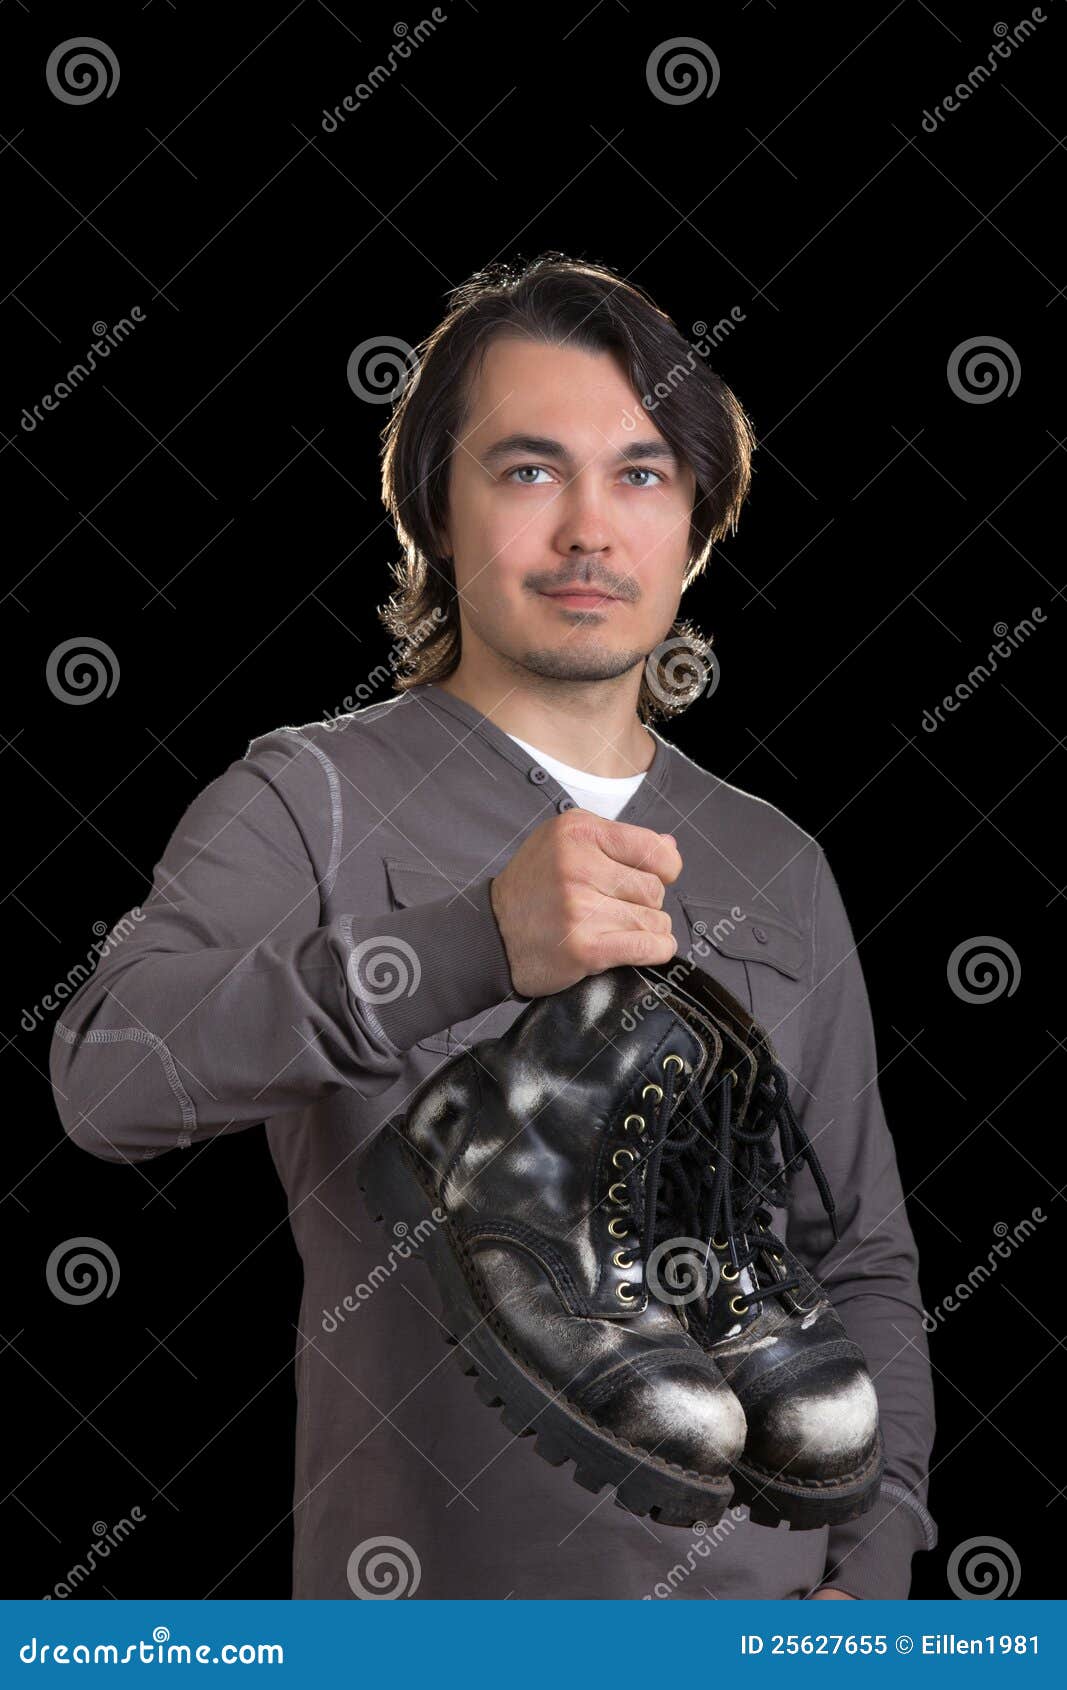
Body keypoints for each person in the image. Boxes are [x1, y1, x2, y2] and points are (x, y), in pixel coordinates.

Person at [50, 254, 936, 1600]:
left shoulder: (778, 858)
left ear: (696, 521)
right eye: (529, 470)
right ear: (435, 517)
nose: (590, 527)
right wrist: (468, 943)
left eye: (640, 474)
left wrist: (869, 1585)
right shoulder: (311, 797)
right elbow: (107, 1074)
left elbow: (857, 1249)